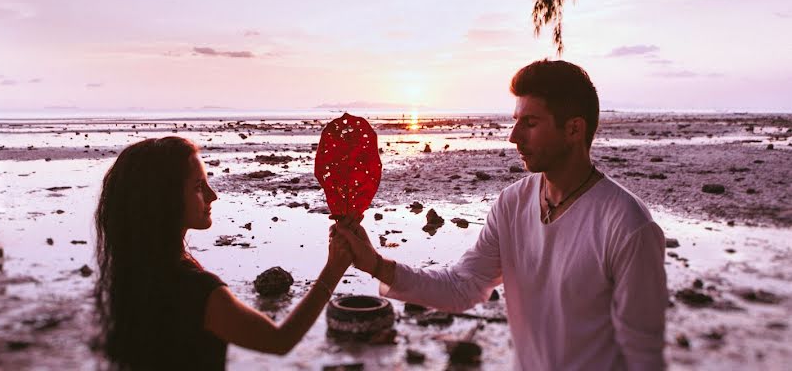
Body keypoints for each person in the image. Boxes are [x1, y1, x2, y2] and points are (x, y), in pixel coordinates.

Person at [335, 60, 669, 370]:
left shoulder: (628, 225)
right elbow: (462, 286)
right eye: (515, 122)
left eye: (531, 123)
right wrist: (377, 264)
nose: (513, 137)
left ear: (574, 129)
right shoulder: (512, 204)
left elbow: (642, 355)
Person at [94, 136, 351, 370]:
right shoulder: (198, 290)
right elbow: (279, 340)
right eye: (198, 186)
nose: (212, 195)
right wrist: (333, 270)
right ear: (164, 199)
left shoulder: (133, 272)